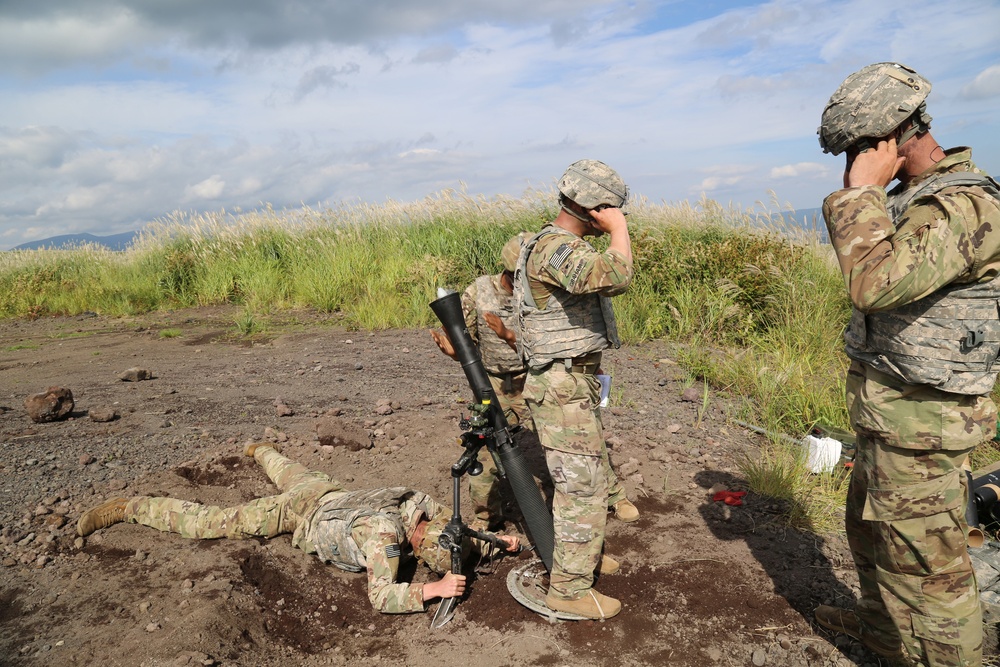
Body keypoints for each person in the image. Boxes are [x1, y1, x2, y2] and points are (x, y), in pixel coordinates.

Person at [815, 62, 1000, 666]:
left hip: (924, 427)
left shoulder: (965, 207)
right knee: (872, 538)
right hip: (891, 415)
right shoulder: (918, 201)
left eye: (857, 152)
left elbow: (873, 283)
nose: (850, 166)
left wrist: (859, 192)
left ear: (886, 139)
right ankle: (881, 636)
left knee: (929, 581)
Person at [77, 443, 520, 614]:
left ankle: (260, 448)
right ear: (421, 550)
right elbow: (382, 596)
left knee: (287, 468)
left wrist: (499, 542)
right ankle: (129, 508)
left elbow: (463, 532)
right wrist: (434, 590)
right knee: (210, 523)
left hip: (328, 492)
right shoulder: (383, 538)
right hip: (297, 515)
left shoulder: (422, 505)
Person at [430, 233, 640, 534]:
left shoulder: (542, 296)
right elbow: (466, 342)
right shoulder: (478, 292)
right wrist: (453, 352)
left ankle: (613, 496)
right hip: (494, 384)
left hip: (538, 377)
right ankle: (487, 516)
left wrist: (509, 335)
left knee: (580, 440)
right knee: (486, 449)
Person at [511, 159, 636, 620]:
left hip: (573, 379)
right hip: (562, 383)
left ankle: (582, 558)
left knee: (590, 478)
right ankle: (568, 590)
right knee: (580, 487)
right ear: (592, 206)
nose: (614, 215)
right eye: (609, 208)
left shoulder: (559, 245)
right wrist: (619, 229)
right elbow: (614, 275)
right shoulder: (556, 249)